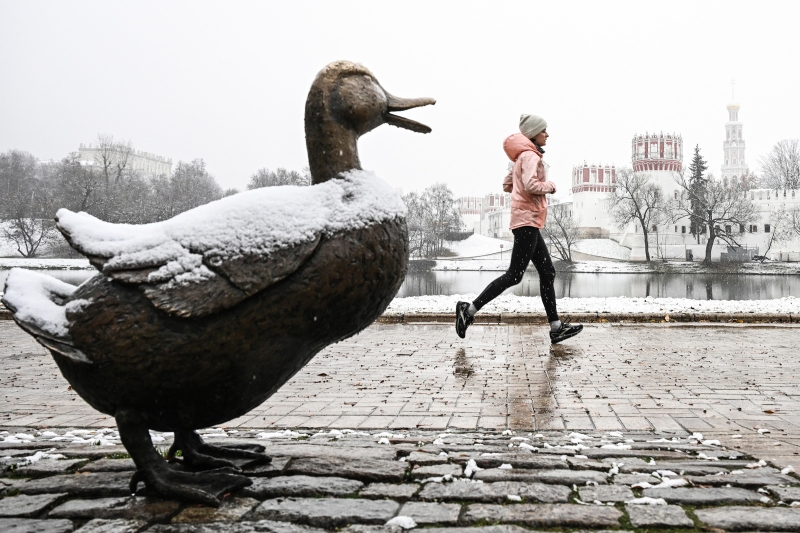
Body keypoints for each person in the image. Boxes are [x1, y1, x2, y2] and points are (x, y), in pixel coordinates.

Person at [455, 114, 582, 344]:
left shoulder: (521, 158)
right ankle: (468, 310)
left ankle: (556, 328)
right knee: (514, 275)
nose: (547, 134)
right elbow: (531, 185)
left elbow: (507, 185)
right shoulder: (530, 156)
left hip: (527, 222)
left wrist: (519, 175)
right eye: (544, 130)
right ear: (533, 133)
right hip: (527, 222)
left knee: (548, 272)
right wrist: (550, 187)